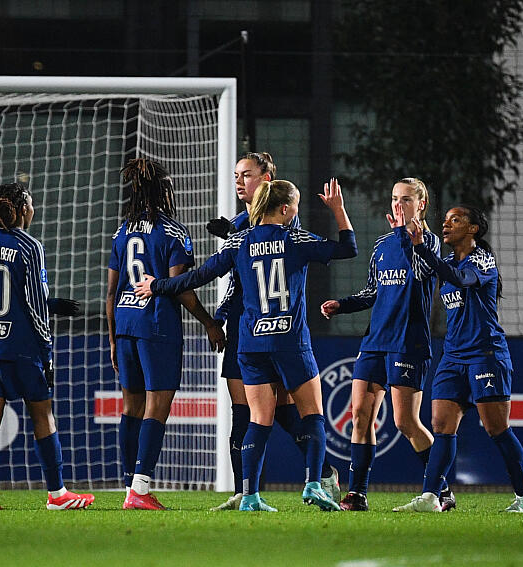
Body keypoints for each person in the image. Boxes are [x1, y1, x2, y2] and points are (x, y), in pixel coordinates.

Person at [136, 178, 357, 512]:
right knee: (312, 415)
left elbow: (198, 277)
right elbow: (347, 248)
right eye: (295, 206)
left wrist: (158, 286)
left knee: (258, 419)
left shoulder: (238, 241)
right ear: (285, 209)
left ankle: (250, 496)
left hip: (251, 342)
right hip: (290, 339)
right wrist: (338, 210)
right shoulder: (296, 238)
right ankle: (314, 484)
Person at [206, 152, 340, 511]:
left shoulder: (283, 225)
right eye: (236, 175)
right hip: (243, 326)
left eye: (246, 175)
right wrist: (219, 315)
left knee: (274, 412)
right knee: (246, 412)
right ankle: (245, 491)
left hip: (273, 328)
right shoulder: (242, 224)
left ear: (265, 180)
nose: (238, 181)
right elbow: (237, 280)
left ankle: (318, 474)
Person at [393, 206, 523, 513]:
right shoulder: (446, 262)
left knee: (496, 427)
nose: (446, 224)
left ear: (472, 229)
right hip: (452, 356)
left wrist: (421, 246)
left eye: (455, 219)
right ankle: (431, 497)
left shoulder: (481, 260)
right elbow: (417, 266)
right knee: (441, 424)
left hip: (485, 354)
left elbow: (461, 280)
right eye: (445, 220)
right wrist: (404, 236)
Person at [320, 178, 455, 511]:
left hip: (407, 342)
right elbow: (373, 292)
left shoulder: (431, 244)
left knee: (404, 422)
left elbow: (422, 272)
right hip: (375, 341)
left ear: (421, 204)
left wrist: (405, 236)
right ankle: (357, 493)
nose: (399, 205)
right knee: (360, 416)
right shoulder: (382, 245)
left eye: (406, 199)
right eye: (395, 199)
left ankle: (442, 489)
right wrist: (342, 304)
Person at [106, 158, 225, 510]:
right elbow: (179, 287)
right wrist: (208, 321)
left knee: (131, 407)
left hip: (125, 325)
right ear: (161, 191)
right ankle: (139, 490)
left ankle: (130, 484)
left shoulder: (122, 232)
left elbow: (110, 292)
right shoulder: (172, 231)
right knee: (157, 407)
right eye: (168, 187)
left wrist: (113, 339)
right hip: (156, 326)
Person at [0, 182, 94, 510]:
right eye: (32, 203)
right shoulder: (29, 245)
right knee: (42, 413)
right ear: (23, 208)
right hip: (19, 345)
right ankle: (57, 493)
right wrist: (47, 350)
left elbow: (4, 293)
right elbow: (35, 304)